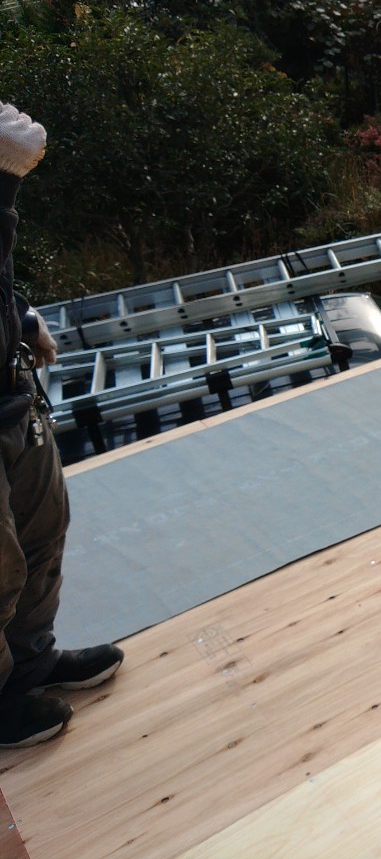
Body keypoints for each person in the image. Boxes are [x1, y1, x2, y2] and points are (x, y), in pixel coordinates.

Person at [0, 102, 124, 749]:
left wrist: (18, 317)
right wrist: (4, 180)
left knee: (43, 532)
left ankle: (33, 665)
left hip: (8, 394)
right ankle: (0, 701)